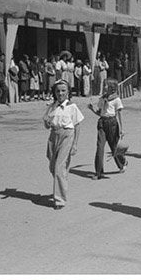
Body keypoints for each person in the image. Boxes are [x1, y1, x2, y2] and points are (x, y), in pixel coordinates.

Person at [43, 81, 83, 209]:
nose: (60, 93)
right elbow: (46, 124)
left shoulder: (72, 107)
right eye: (58, 91)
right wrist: (47, 122)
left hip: (67, 135)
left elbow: (77, 125)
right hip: (53, 135)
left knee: (59, 167)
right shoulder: (52, 107)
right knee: (53, 167)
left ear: (68, 92)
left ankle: (59, 200)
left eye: (63, 91)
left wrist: (75, 144)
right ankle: (62, 183)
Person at [89, 79, 126, 178]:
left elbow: (119, 114)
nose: (104, 86)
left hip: (112, 123)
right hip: (102, 123)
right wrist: (92, 109)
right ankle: (99, 172)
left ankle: (122, 163)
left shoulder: (116, 100)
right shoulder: (102, 99)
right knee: (100, 147)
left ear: (111, 87)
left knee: (114, 146)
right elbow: (100, 113)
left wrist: (122, 129)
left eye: (105, 85)